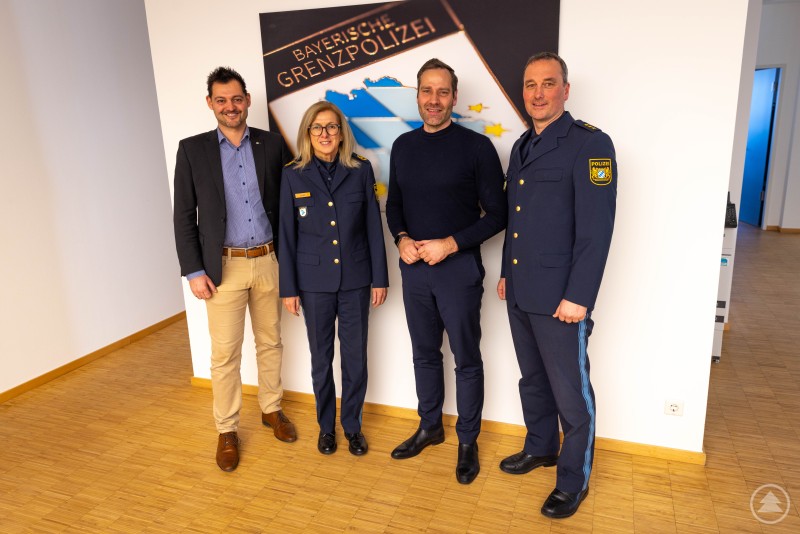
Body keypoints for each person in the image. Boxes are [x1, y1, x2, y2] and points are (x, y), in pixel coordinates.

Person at [497, 52, 617, 518]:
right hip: (523, 290)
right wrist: (508, 270)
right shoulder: (522, 145)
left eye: (548, 84)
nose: (539, 93)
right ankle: (541, 447)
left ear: (565, 90)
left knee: (572, 394)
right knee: (533, 381)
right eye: (530, 85)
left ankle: (573, 479)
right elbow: (518, 220)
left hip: (562, 299)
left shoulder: (591, 144)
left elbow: (596, 230)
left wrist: (579, 298)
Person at [385, 58, 507, 484]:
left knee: (466, 359)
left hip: (458, 272)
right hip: (414, 270)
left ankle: (467, 441)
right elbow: (393, 205)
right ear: (416, 96)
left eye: (442, 92)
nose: (433, 100)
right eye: (426, 91)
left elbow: (498, 214)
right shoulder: (402, 146)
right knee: (424, 354)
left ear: (454, 97)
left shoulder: (477, 148)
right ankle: (430, 426)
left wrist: (450, 244)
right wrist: (401, 238)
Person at [173, 66, 297, 472]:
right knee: (224, 355)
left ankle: (271, 409)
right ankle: (226, 430)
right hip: (221, 268)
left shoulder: (273, 144)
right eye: (221, 100)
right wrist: (194, 270)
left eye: (237, 99)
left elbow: (292, 204)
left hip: (267, 261)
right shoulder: (192, 150)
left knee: (271, 342)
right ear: (210, 103)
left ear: (247, 100)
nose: (231, 107)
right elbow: (182, 216)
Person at [278, 101, 388, 456]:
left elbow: (374, 227)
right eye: (317, 128)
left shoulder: (360, 170)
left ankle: (352, 426)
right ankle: (326, 428)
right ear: (308, 134)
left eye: (331, 127)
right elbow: (287, 235)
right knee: (320, 358)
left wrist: (380, 278)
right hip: (313, 284)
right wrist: (289, 288)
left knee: (355, 358)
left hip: (355, 278)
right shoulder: (293, 173)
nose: (325, 134)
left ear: (342, 133)